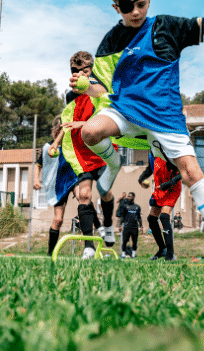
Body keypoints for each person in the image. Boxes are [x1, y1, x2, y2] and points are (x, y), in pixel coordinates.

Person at [75, 0, 204, 268]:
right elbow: (102, 89)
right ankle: (113, 162)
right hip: (126, 110)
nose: (136, 11)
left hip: (165, 116)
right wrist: (88, 87)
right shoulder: (110, 42)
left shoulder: (167, 26)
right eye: (128, 7)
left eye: (141, 4)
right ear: (117, 7)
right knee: (89, 132)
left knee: (192, 173)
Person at [58, 51, 114, 260]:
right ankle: (88, 246)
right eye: (75, 71)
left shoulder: (100, 88)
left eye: (84, 70)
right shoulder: (71, 95)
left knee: (105, 192)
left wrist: (85, 124)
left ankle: (107, 227)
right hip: (82, 152)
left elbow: (107, 110)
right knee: (84, 196)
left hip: (101, 148)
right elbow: (69, 117)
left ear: (92, 70)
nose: (80, 74)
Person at [33, 115, 80, 256]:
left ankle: (85, 224)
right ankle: (50, 253)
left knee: (81, 196)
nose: (59, 133)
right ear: (54, 131)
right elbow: (38, 165)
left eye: (62, 130)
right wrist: (36, 179)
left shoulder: (71, 145)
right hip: (58, 185)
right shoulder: (49, 147)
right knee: (58, 219)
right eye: (58, 130)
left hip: (73, 178)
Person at [139, 152, 182, 261]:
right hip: (159, 188)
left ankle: (170, 254)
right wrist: (141, 179)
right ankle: (162, 249)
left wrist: (167, 184)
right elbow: (150, 168)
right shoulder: (152, 150)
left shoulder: (169, 148)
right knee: (152, 219)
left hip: (171, 188)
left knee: (164, 216)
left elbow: (182, 172)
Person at [120, 192, 143, 258]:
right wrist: (120, 225)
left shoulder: (137, 207)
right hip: (127, 226)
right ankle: (123, 254)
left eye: (130, 196)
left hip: (134, 227)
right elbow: (123, 216)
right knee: (124, 241)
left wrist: (141, 226)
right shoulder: (125, 206)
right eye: (128, 196)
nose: (128, 197)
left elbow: (139, 217)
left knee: (134, 242)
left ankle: (133, 255)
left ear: (133, 197)